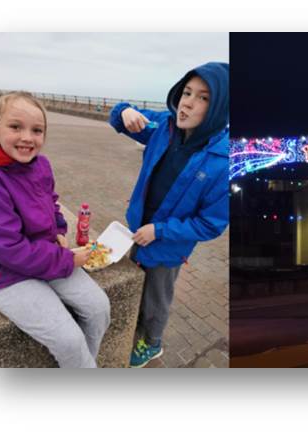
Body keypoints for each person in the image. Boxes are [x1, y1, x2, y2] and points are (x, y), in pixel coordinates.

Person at [0, 92, 111, 368]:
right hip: (5, 272)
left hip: (47, 253)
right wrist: (68, 259)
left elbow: (51, 202)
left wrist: (60, 229)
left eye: (37, 130)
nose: (28, 137)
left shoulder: (42, 165)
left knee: (99, 309)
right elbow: (10, 251)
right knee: (69, 340)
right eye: (16, 127)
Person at [108, 62, 229, 367]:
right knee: (136, 278)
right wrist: (123, 112)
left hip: (167, 243)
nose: (188, 101)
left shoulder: (224, 161)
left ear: (221, 107)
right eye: (187, 92)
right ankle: (136, 326)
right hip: (138, 227)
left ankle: (153, 343)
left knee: (156, 297)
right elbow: (123, 118)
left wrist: (159, 231)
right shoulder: (165, 126)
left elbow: (209, 225)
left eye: (203, 97)